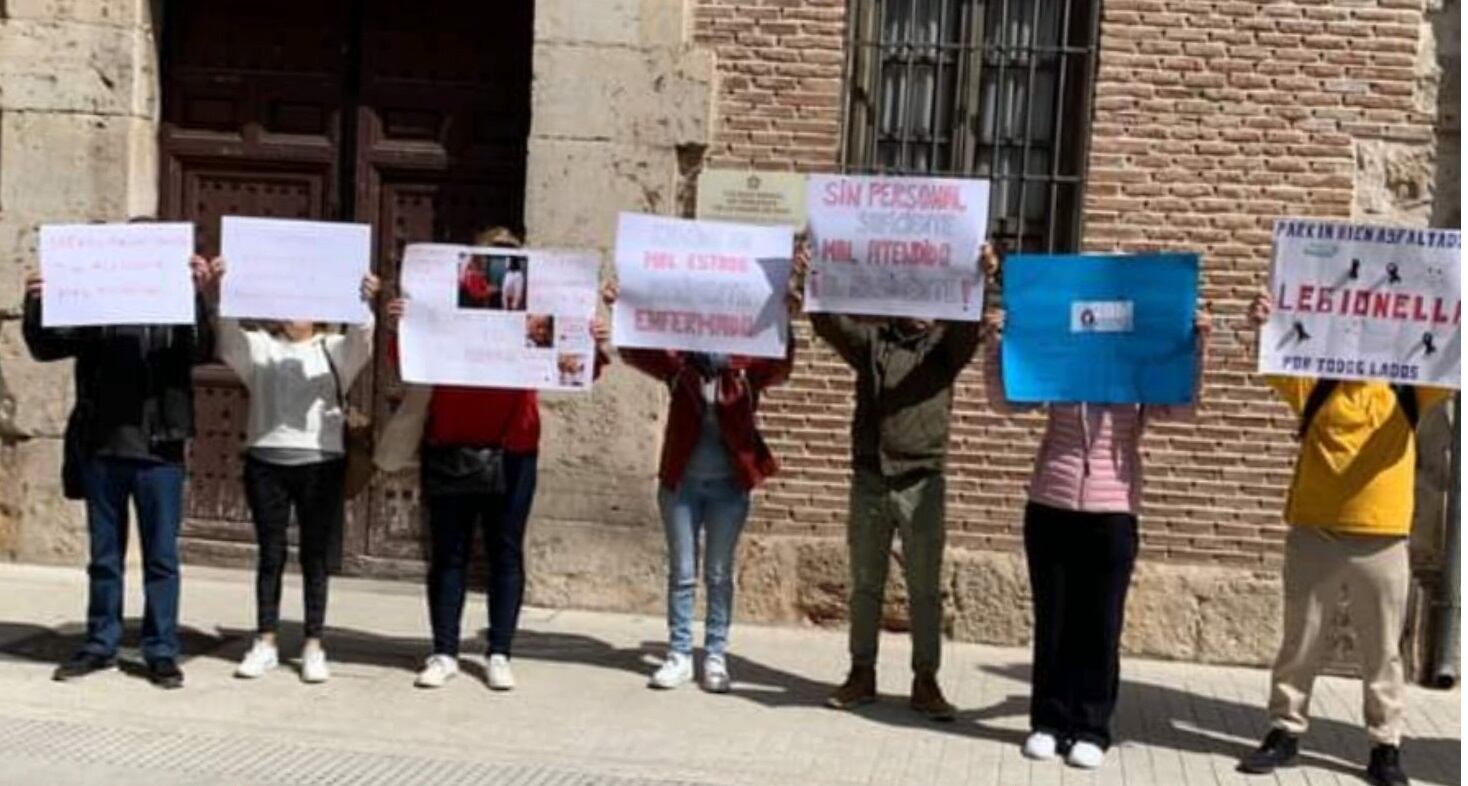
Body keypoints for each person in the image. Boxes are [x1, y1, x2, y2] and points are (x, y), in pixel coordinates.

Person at [983, 279, 1212, 769]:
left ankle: (1091, 727)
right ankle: (1047, 722)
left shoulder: (1139, 372)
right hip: (1050, 505)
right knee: (1054, 621)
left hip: (1113, 513)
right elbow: (1007, 402)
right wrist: (996, 344)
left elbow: (1184, 408)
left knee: (1100, 625)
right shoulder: (1060, 365)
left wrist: (1194, 345)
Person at [1237, 289, 1450, 786]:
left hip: (1383, 537)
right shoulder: (1316, 380)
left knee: (1383, 651)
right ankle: (1285, 730)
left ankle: (1385, 745)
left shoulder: (1408, 387)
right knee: (1300, 641)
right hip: (1315, 530)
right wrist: (1264, 320)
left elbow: (1452, 363)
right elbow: (1273, 356)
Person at [387, 226, 610, 692]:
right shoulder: (449, 304)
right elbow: (408, 359)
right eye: (489, 257)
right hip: (451, 442)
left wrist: (590, 337)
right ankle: (444, 650)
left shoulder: (536, 309)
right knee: (449, 554)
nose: (500, 265)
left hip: (514, 449)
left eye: (510, 258)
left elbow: (580, 367)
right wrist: (403, 323)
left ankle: (500, 652)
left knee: (506, 552)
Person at [22, 242, 215, 690]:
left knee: (161, 558)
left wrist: (198, 295)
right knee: (104, 559)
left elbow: (203, 348)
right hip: (102, 449)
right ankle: (100, 643)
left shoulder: (174, 315)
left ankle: (161, 650)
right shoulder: (95, 308)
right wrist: (36, 303)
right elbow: (47, 347)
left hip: (158, 451)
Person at [602, 258, 801, 693]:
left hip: (730, 486)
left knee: (718, 573)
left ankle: (714, 655)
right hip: (682, 484)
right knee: (684, 572)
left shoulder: (748, 367)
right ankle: (678, 654)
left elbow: (782, 366)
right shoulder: (679, 364)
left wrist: (784, 317)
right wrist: (622, 309)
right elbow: (637, 349)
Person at [814, 243, 994, 722]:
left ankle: (925, 680)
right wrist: (812, 279)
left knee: (924, 590)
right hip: (871, 479)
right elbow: (830, 325)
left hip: (922, 482)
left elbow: (969, 327)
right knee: (865, 585)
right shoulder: (872, 344)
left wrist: (982, 276)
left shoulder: (944, 350)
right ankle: (861, 673)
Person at [209, 257, 380, 684]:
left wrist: (364, 302)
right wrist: (225, 286)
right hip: (267, 460)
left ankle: (313, 644)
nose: (292, 311)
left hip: (320, 462)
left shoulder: (333, 348)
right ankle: (265, 640)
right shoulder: (259, 346)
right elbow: (227, 336)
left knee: (315, 556)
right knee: (270, 554)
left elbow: (362, 341)